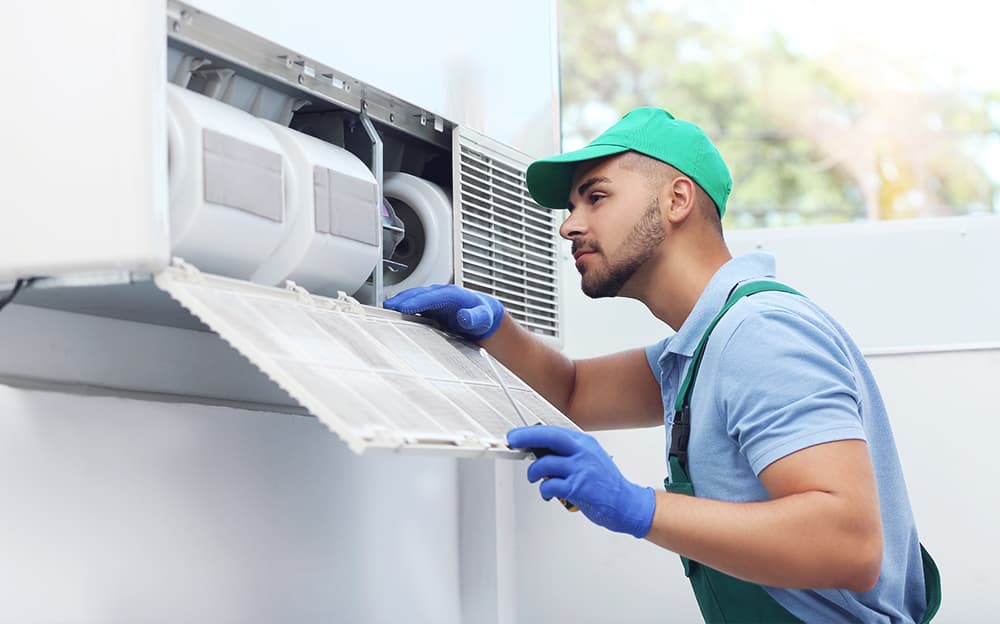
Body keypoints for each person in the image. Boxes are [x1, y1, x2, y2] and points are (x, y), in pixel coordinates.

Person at [384, 107, 939, 622]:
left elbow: (849, 543)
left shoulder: (759, 334)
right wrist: (494, 328)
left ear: (677, 201)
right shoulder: (701, 346)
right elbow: (573, 391)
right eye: (572, 207)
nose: (568, 226)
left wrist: (637, 505)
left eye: (595, 198)